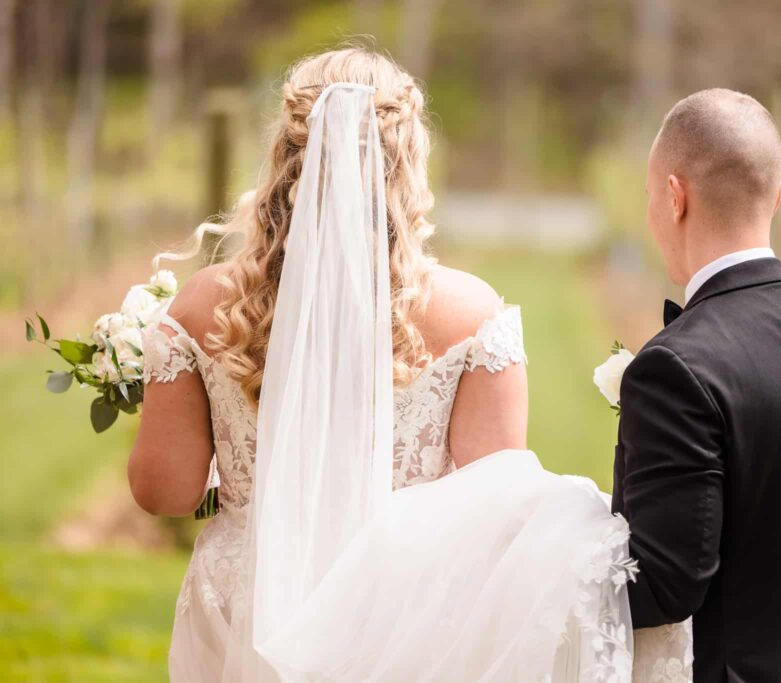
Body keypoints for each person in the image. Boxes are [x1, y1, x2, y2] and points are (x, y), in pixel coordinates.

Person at [128, 47, 640, 682]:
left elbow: (165, 492)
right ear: (407, 163)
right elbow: (496, 504)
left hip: (246, 597)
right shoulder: (470, 310)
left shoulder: (206, 303)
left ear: (287, 159)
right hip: (401, 609)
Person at [613, 88, 781, 683]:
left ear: (676, 197)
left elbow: (664, 583)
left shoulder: (673, 368)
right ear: (776, 198)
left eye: (651, 197)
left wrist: (555, 562)